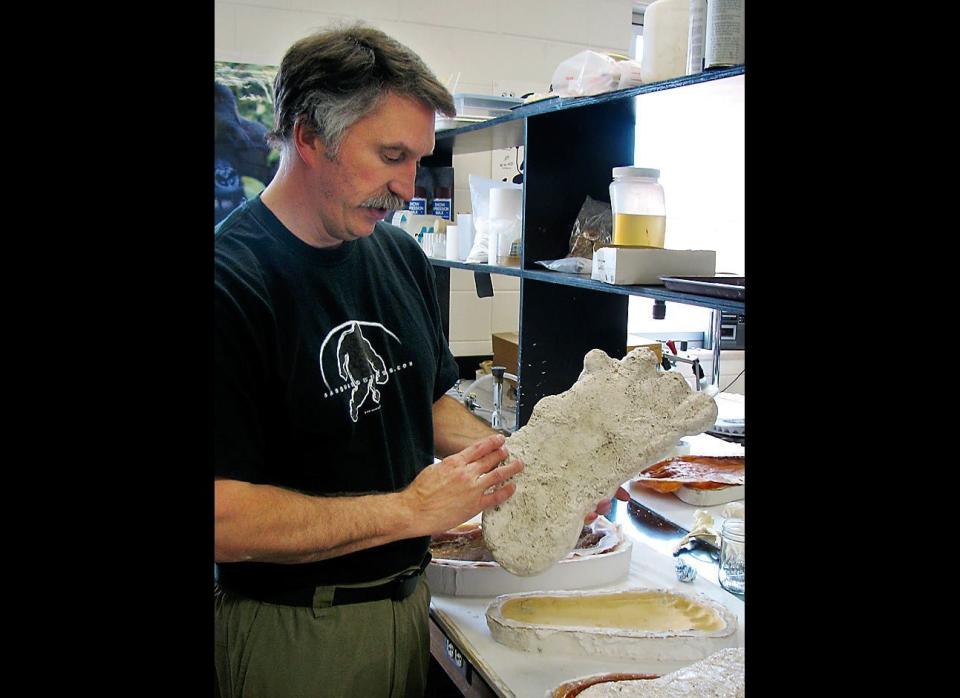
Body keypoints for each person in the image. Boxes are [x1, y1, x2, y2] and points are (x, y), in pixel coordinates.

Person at [214, 24, 623, 698]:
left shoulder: (398, 255)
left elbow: (424, 404)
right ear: (309, 135)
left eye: (419, 159)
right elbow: (224, 518)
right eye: (391, 155)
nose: (408, 186)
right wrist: (410, 510)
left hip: (406, 605)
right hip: (294, 628)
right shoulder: (232, 282)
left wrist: (538, 469)